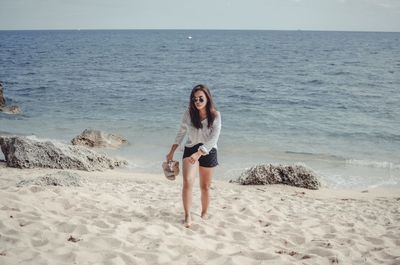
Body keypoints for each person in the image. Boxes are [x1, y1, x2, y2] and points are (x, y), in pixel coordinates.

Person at [166, 84, 221, 228]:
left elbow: (213, 139)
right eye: (194, 99)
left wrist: (199, 153)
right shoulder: (188, 114)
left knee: (205, 186)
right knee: (188, 182)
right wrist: (172, 151)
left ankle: (204, 212)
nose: (197, 101)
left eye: (200, 99)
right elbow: (181, 132)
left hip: (208, 150)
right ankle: (187, 215)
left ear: (207, 99)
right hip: (191, 148)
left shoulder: (215, 115)